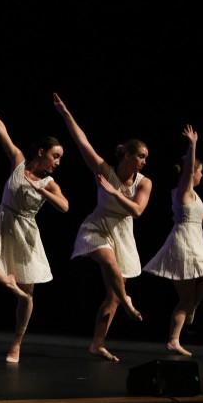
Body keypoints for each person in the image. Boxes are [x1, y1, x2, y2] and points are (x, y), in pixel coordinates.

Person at [0, 90, 69, 363]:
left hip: (25, 233)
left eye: (60, 159)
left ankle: (17, 343)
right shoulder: (19, 162)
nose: (57, 162)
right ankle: (5, 280)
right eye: (55, 156)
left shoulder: (49, 182)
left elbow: (65, 206)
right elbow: (3, 132)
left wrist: (43, 190)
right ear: (41, 152)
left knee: (28, 295)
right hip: (1, 221)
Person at [54, 93, 150, 362]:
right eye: (140, 156)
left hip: (123, 232)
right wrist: (65, 113)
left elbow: (138, 211)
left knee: (112, 298)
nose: (143, 161)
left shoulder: (144, 183)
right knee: (109, 262)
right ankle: (129, 302)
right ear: (127, 155)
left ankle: (97, 343)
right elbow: (82, 141)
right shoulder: (105, 170)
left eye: (145, 158)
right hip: (97, 228)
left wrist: (115, 192)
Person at [143, 125, 203, 356]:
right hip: (183, 245)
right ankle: (173, 339)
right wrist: (192, 144)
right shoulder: (184, 190)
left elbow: (198, 222)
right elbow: (189, 171)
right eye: (200, 171)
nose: (201, 175)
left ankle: (187, 316)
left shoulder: (194, 196)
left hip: (194, 242)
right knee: (189, 296)